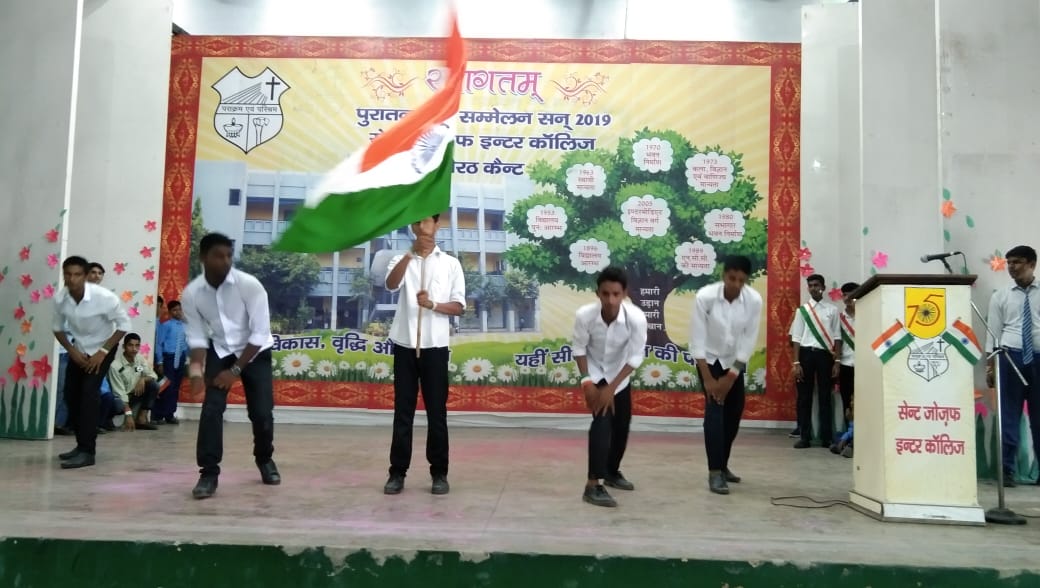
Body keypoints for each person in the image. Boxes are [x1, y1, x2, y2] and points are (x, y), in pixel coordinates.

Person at [181, 233, 279, 499]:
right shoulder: (192, 293)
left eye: (229, 255)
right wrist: (196, 370)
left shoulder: (249, 285)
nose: (225, 261)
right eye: (218, 256)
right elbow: (197, 336)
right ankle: (208, 473)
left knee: (261, 413)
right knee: (211, 410)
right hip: (221, 349)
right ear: (203, 258)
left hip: (255, 351)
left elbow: (260, 333)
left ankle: (264, 459)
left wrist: (235, 371)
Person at [382, 215, 466, 496]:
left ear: (437, 225)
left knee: (436, 413)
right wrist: (410, 255)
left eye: (426, 222)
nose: (420, 227)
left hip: (435, 348)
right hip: (405, 345)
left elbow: (458, 306)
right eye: (416, 223)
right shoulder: (401, 259)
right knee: (402, 412)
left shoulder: (450, 263)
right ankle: (397, 473)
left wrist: (431, 304)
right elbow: (391, 284)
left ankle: (439, 473)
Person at [572, 266, 648, 508]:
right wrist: (587, 382)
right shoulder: (585, 315)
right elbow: (579, 348)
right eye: (605, 294)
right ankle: (592, 485)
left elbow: (635, 356)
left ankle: (612, 472)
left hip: (619, 375)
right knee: (602, 421)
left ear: (625, 293)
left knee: (622, 426)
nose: (611, 300)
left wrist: (611, 388)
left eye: (616, 294)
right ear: (598, 293)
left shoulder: (636, 318)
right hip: (594, 372)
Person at [689, 256, 762, 495]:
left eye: (742, 280)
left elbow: (748, 339)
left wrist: (730, 377)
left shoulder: (753, 300)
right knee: (714, 413)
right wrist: (709, 380)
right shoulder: (705, 297)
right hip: (708, 361)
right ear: (724, 275)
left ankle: (723, 465)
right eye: (732, 278)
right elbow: (697, 339)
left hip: (734, 363)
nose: (736, 284)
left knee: (733, 414)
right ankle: (715, 472)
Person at [52, 256, 131, 469]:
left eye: (77, 274)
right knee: (71, 394)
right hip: (78, 349)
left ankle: (88, 452)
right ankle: (80, 445)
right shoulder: (60, 299)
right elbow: (57, 329)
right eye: (68, 274)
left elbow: (124, 325)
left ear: (86, 276)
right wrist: (72, 351)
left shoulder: (104, 297)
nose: (72, 279)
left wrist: (102, 352)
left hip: (103, 348)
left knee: (88, 394)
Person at [985, 245, 1040, 487]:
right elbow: (993, 333)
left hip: (1038, 358)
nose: (1011, 267)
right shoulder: (1001, 295)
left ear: (1032, 264)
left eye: (1017, 262)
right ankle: (1005, 470)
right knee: (1008, 415)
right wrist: (990, 366)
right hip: (1010, 357)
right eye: (1009, 263)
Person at [789, 273, 840, 449]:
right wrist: (796, 363)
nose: (813, 288)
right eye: (810, 285)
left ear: (823, 287)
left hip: (825, 356)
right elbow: (796, 338)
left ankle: (826, 438)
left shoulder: (832, 310)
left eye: (816, 285)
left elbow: (837, 337)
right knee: (804, 397)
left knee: (825, 396)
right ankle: (805, 437)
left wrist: (837, 361)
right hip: (805, 355)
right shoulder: (802, 311)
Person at [105, 333, 160, 431]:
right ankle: (108, 420)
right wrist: (128, 414)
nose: (134, 349)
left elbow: (153, 375)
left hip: (135, 394)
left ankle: (141, 420)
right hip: (121, 399)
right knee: (118, 404)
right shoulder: (115, 366)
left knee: (153, 385)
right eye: (130, 345)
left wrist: (143, 379)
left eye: (137, 345)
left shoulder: (139, 359)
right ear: (124, 347)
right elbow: (120, 393)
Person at [153, 300, 188, 424]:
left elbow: (186, 343)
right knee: (166, 386)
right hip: (169, 358)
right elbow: (159, 344)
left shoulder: (185, 326)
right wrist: (160, 361)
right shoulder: (166, 325)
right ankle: (157, 415)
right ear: (169, 312)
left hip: (181, 358)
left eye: (179, 309)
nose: (178, 312)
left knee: (176, 387)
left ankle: (170, 414)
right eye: (174, 310)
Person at [835, 282, 859, 431]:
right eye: (845, 294)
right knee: (846, 401)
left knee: (865, 401)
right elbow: (836, 342)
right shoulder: (838, 318)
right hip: (845, 365)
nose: (848, 297)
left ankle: (864, 436)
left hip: (864, 366)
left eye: (852, 294)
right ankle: (849, 435)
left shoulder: (868, 315)